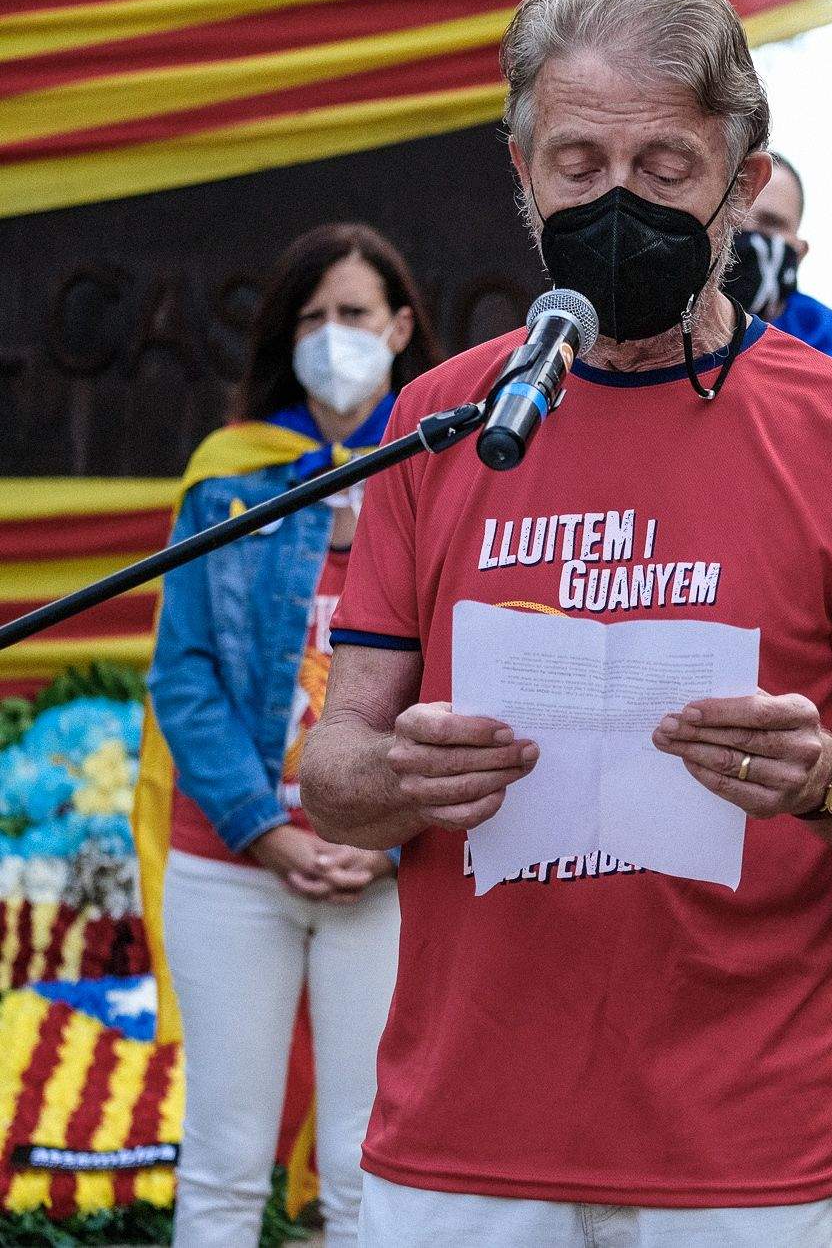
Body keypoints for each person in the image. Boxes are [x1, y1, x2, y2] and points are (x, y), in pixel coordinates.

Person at [299, 0, 832, 1248]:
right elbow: (335, 774)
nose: (617, 202)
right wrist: (401, 774)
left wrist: (826, 778)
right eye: (577, 165)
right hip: (467, 1137)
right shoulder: (439, 421)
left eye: (665, 168)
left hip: (749, 1151)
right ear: (522, 170)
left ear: (740, 176)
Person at [147, 222, 439, 1248]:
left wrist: (385, 836)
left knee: (369, 1168)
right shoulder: (228, 475)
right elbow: (182, 671)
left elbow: (471, 674)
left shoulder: (448, 471)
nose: (332, 336)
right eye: (311, 318)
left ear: (399, 327)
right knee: (224, 1163)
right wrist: (264, 830)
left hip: (385, 873)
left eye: (353, 313)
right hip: (232, 861)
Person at [726, 150, 832, 386]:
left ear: (799, 252)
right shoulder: (670, 332)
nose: (745, 230)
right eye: (734, 212)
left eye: (771, 223)